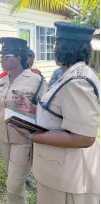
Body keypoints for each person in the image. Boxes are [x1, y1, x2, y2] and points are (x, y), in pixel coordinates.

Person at [13, 22, 100, 204]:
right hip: (59, 171)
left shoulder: (78, 81)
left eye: (55, 44)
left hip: (67, 177)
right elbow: (61, 113)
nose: (54, 49)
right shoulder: (71, 73)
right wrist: (33, 109)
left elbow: (83, 137)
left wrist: (32, 135)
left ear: (63, 48)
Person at [0, 37, 47, 204]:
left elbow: (46, 111)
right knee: (16, 185)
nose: (1, 60)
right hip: (2, 138)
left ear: (18, 58)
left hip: (23, 139)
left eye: (6, 56)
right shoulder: (0, 82)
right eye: (1, 56)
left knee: (13, 185)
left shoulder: (37, 81)